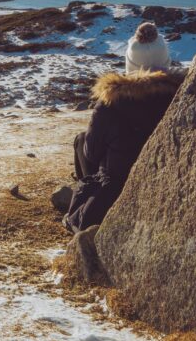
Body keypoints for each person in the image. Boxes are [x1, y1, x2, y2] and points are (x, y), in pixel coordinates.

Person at [65, 24, 182, 233]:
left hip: (115, 187)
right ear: (165, 60)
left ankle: (87, 192)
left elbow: (91, 154)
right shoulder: (181, 97)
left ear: (130, 62)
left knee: (82, 140)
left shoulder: (111, 101)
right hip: (163, 181)